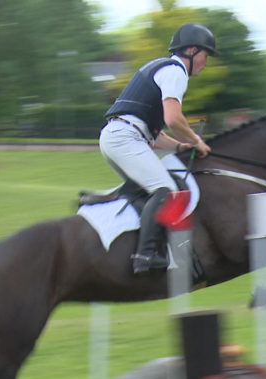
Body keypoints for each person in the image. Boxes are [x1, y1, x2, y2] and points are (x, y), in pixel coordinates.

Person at [100, 23, 216, 275]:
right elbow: (173, 119)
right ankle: (146, 255)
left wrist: (181, 145)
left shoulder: (160, 66)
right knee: (167, 191)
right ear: (192, 50)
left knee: (148, 191)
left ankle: (143, 245)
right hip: (125, 138)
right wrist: (197, 141)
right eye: (205, 56)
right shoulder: (176, 72)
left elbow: (155, 134)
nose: (206, 63)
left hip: (116, 136)